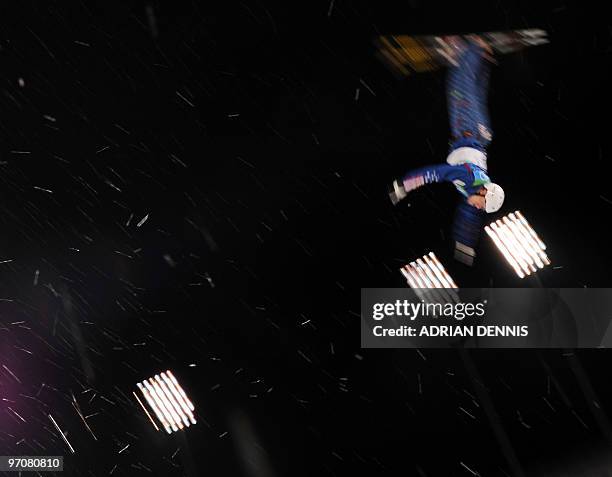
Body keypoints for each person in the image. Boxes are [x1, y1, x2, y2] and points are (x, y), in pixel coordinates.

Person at [388, 36, 504, 214]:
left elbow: (469, 215)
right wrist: (405, 185)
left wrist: (463, 241)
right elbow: (437, 173)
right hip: (469, 130)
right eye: (482, 204)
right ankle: (472, 49)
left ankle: (481, 59)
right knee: (460, 88)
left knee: (473, 95)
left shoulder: (474, 185)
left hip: (481, 136)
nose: (478, 207)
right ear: (484, 192)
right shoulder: (469, 179)